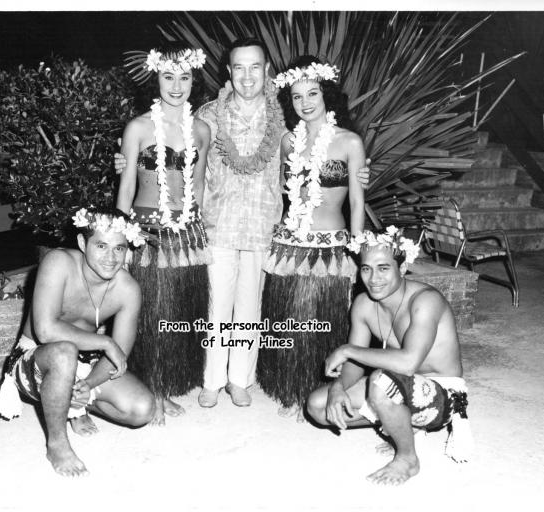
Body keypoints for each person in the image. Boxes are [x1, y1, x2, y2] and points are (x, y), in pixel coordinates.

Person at [116, 38, 371, 409]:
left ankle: (240, 380)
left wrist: (356, 174)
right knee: (215, 306)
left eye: (255, 67)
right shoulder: (207, 115)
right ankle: (211, 380)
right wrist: (125, 163)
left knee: (251, 309)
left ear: (266, 70)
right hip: (216, 225)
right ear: (228, 71)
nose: (247, 76)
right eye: (239, 67)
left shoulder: (285, 117)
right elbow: (179, 160)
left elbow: (317, 153)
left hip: (265, 227)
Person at [0, 207, 155, 477]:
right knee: (64, 352)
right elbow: (46, 331)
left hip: (84, 363)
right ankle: (57, 444)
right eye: (101, 246)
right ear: (82, 242)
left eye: (119, 248)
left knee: (142, 409)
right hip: (36, 360)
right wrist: (105, 343)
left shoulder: (128, 289)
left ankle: (73, 406)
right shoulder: (59, 262)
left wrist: (88, 385)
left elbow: (119, 354)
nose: (111, 258)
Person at [306, 227, 473, 485]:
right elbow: (355, 364)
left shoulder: (425, 301)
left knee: (380, 381)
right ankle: (402, 425)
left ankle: (408, 459)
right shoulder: (363, 304)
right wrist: (338, 387)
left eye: (383, 268)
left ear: (402, 268)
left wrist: (346, 349)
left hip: (442, 395)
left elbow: (408, 363)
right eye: (366, 269)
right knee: (318, 406)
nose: (374, 278)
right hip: (398, 383)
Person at [257, 56, 365, 421]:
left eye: (312, 93)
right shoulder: (289, 142)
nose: (305, 102)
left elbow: (357, 201)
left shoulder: (349, 141)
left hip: (331, 243)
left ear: (326, 93)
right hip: (290, 242)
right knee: (290, 316)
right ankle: (289, 386)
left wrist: (358, 248)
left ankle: (317, 389)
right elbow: (277, 189)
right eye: (297, 96)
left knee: (324, 319)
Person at [116, 44, 211, 425]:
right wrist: (121, 235)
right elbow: (125, 186)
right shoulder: (138, 127)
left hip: (186, 231)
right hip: (145, 231)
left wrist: (197, 229)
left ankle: (167, 383)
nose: (176, 86)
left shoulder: (201, 130)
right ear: (155, 79)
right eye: (168, 76)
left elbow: (198, 184)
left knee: (178, 311)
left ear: (193, 81)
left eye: (184, 77)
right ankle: (150, 387)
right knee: (150, 313)